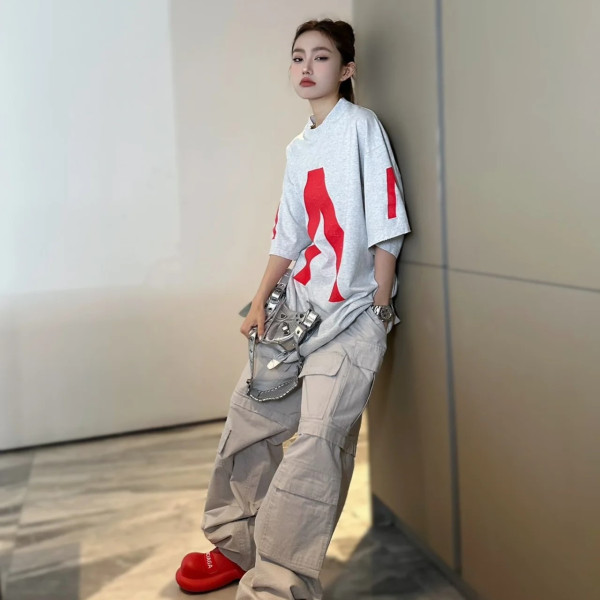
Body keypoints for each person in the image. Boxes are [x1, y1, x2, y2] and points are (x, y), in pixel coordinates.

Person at [175, 18, 410, 599]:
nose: (306, 67)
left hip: (351, 315)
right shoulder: (298, 147)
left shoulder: (361, 126)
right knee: (247, 422)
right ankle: (236, 546)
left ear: (346, 70)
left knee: (317, 443)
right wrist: (259, 301)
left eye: (321, 57)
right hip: (296, 309)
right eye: (298, 56)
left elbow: (386, 219)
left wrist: (379, 307)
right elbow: (289, 233)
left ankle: (278, 582)